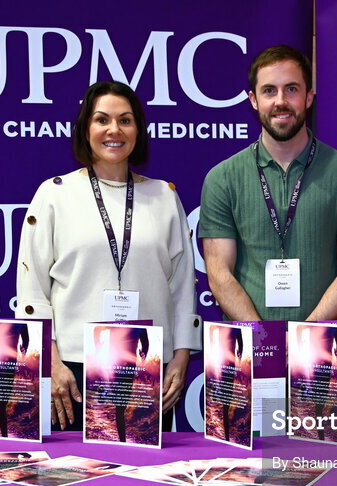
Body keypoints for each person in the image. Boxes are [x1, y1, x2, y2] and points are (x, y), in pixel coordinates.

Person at [16, 81, 201, 430]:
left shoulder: (163, 196)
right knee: (76, 479)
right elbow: (32, 288)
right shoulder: (55, 195)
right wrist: (50, 363)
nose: (114, 130)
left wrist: (180, 358)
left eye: (125, 120)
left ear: (138, 130)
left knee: (147, 481)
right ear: (86, 129)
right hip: (71, 371)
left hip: (148, 366)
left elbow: (181, 288)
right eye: (102, 119)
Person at [200, 45, 337, 322]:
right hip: (248, 346)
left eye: (291, 89)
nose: (280, 101)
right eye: (269, 91)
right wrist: (264, 340)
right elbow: (219, 272)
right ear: (253, 100)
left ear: (308, 97)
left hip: (323, 346)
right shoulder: (222, 178)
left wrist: (305, 339)